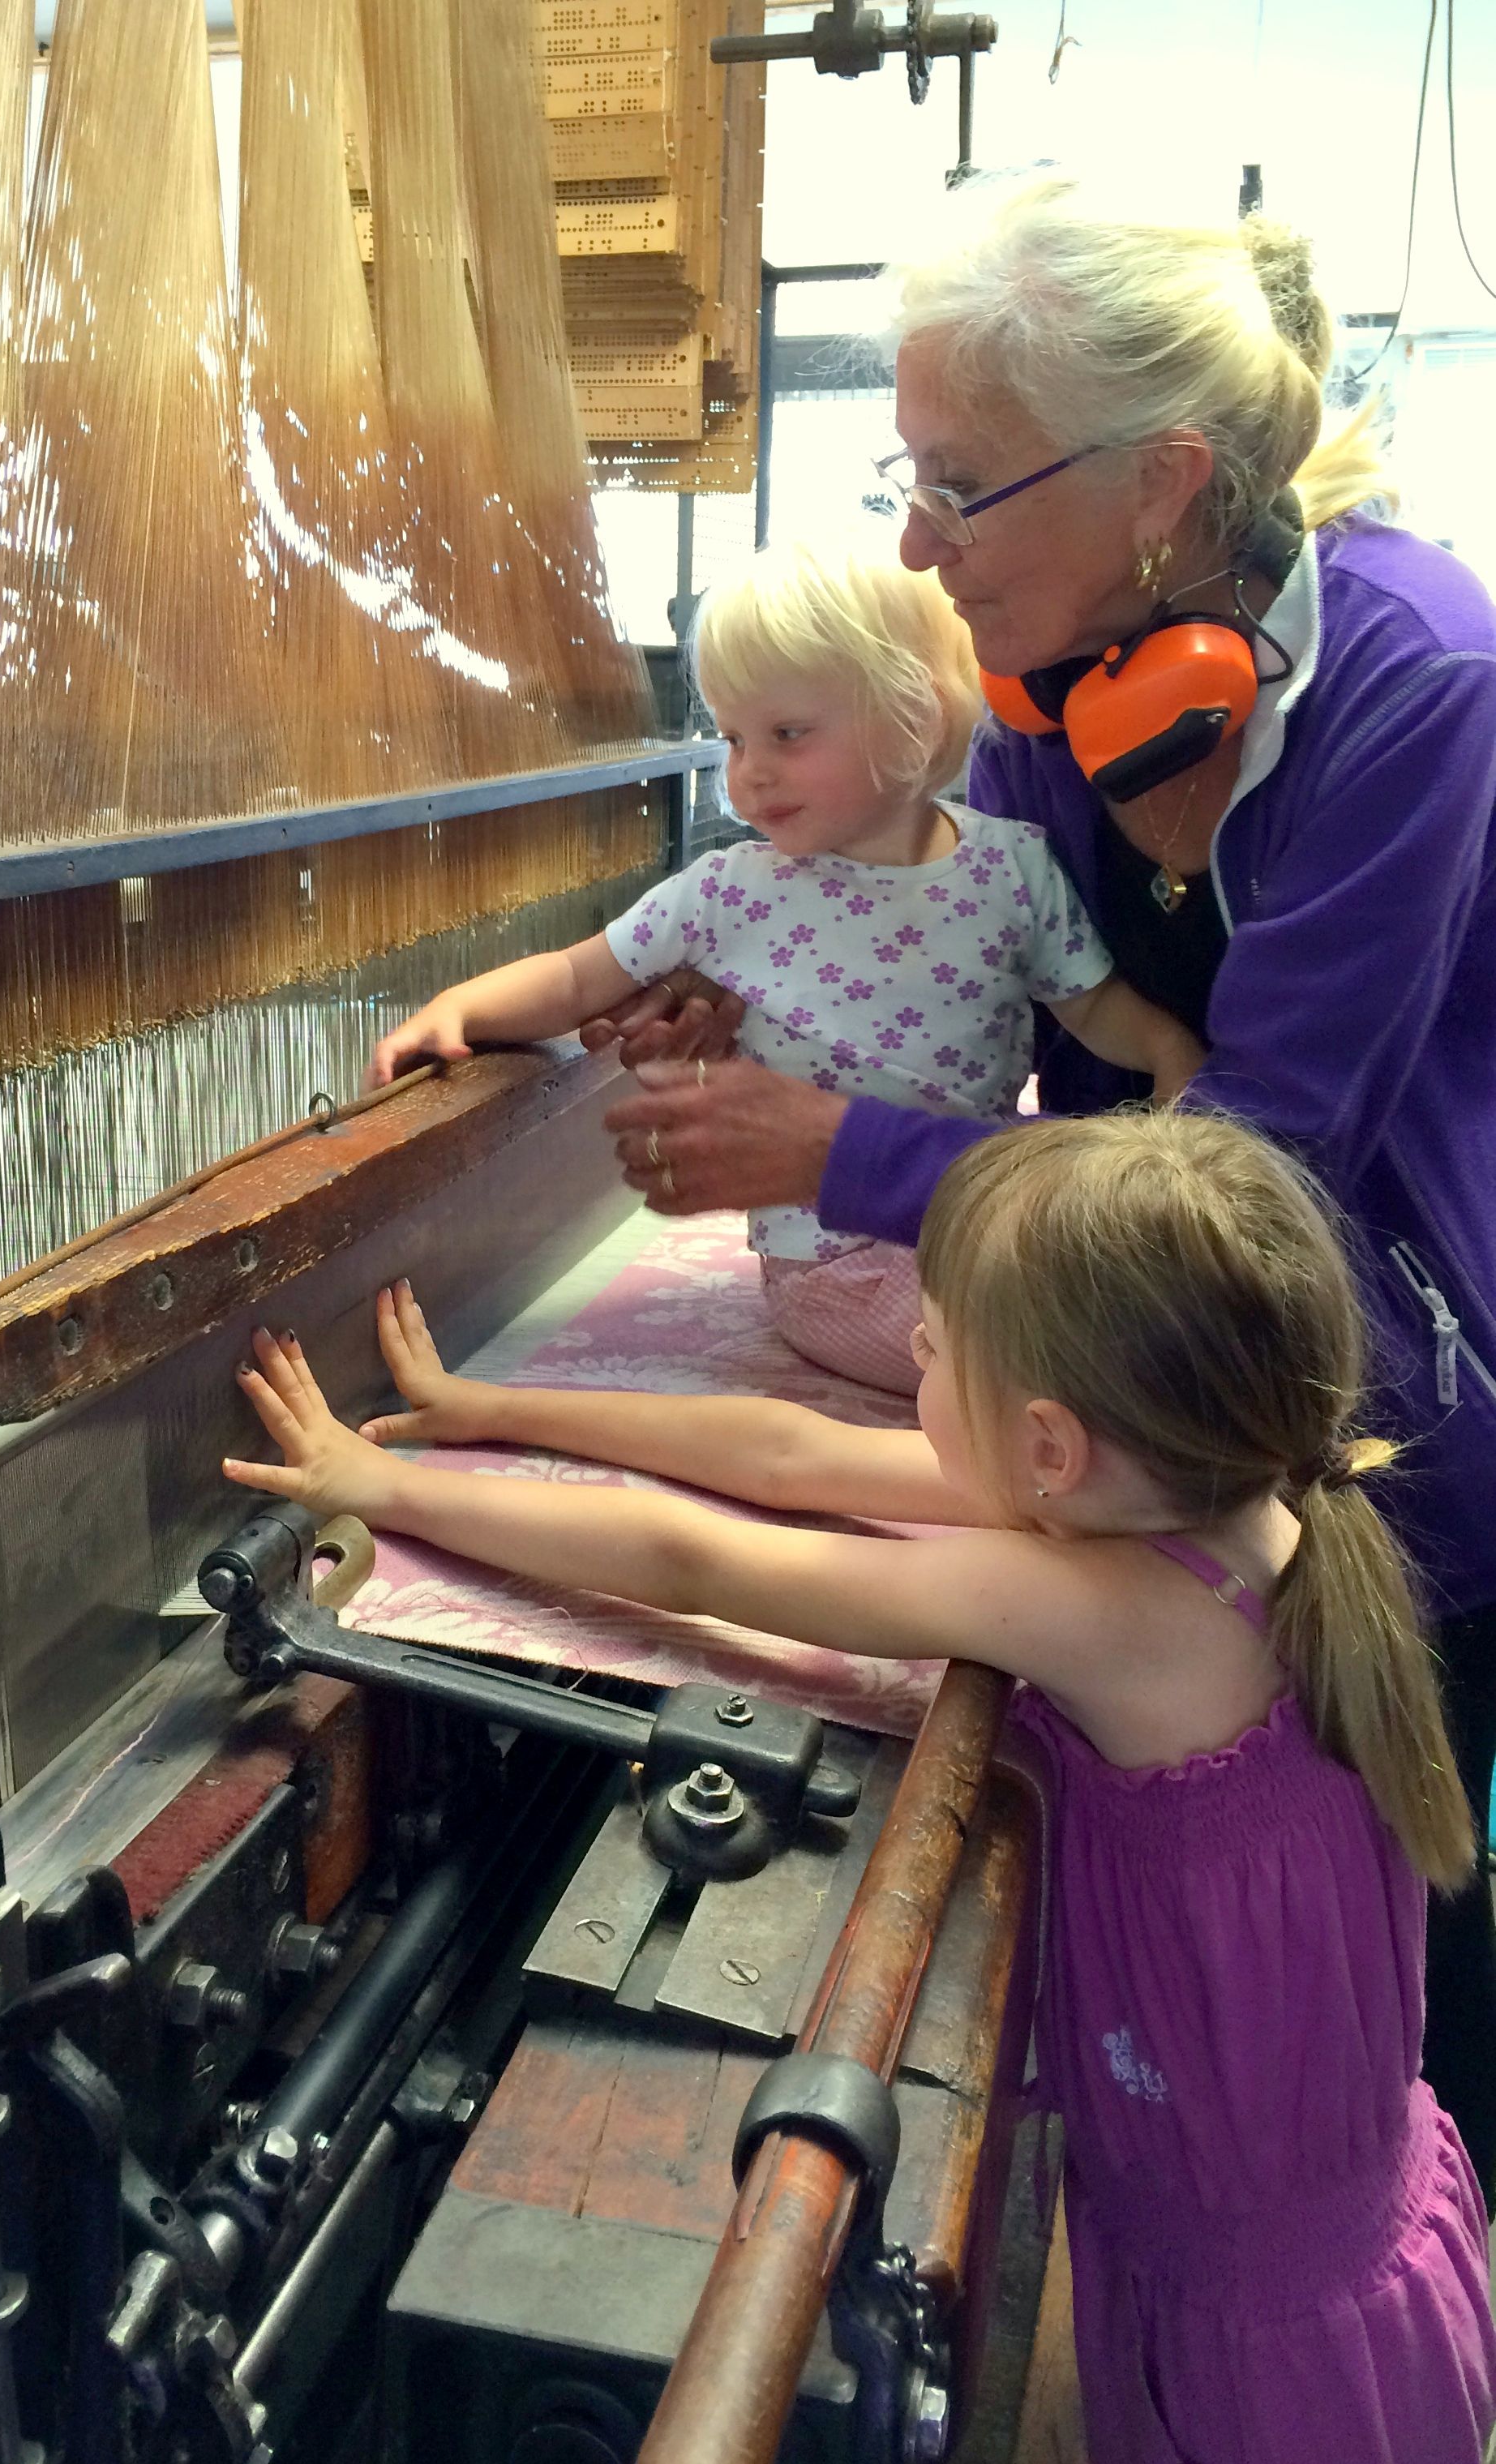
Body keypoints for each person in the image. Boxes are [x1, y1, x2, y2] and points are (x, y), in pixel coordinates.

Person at [223, 1110, 1494, 2464]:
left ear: (1049, 1447)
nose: (911, 1366)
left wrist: (382, 1491)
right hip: (1330, 2237)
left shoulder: (1110, 1609)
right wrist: (491, 1411)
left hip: (1263, 2365)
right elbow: (789, 1454)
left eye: (935, 1348)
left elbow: (712, 1564)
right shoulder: (1224, 1497)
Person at [596, 182, 1496, 2192]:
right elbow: (977, 964)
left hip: (1393, 1391)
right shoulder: (1045, 678)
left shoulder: (1416, 675)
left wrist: (839, 1147)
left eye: (961, 486)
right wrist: (773, 986)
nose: (915, 544)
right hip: (1158, 1384)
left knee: (1383, 1951)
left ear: (1164, 480)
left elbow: (1258, 1174)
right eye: (904, 480)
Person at [367, 534, 1200, 1390]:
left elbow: (1094, 1006)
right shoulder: (731, 891)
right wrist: (460, 1008)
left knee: (1114, 1306)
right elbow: (582, 977)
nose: (748, 774)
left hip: (976, 1219)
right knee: (1045, 1361)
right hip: (834, 1265)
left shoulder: (1011, 867)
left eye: (787, 733)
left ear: (913, 717)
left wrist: (1173, 1055)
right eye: (732, 737)